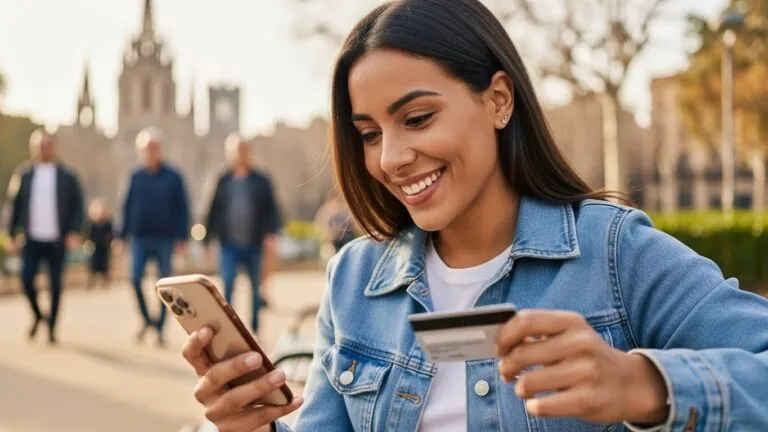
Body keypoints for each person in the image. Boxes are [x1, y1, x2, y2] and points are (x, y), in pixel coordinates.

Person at [180, 1, 768, 431]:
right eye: (368, 134)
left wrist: (645, 385)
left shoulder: (613, 252)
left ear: (499, 100)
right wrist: (257, 428)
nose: (389, 158)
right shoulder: (354, 279)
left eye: (416, 119)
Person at [3, 130, 84, 345]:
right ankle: (39, 315)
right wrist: (10, 235)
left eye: (47, 145)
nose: (43, 149)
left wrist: (74, 232)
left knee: (56, 286)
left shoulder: (67, 176)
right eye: (40, 146)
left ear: (53, 147)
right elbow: (14, 206)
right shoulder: (24, 174)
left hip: (57, 240)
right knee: (26, 279)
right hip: (31, 238)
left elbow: (78, 206)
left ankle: (52, 328)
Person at [115, 127, 189, 347]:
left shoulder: (173, 176)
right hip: (139, 237)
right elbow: (125, 206)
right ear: (141, 151)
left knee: (166, 286)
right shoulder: (134, 176)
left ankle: (159, 328)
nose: (151, 152)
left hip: (165, 239)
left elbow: (182, 208)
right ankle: (148, 320)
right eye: (147, 148)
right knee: (135, 279)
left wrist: (182, 238)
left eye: (155, 148)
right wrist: (120, 237)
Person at [202, 133, 281, 337]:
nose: (241, 155)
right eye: (238, 151)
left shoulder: (261, 180)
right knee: (227, 285)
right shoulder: (222, 180)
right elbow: (212, 210)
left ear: (250, 153)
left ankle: (255, 330)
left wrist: (272, 234)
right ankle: (229, 330)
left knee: (255, 288)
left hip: (254, 243)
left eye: (245, 150)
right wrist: (207, 241)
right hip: (228, 243)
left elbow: (272, 209)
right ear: (230, 154)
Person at [86, 198, 114, 289]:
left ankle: (105, 282)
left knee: (104, 265)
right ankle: (92, 282)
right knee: (93, 265)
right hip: (95, 247)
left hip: (104, 247)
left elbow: (111, 234)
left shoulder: (107, 223)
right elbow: (89, 235)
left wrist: (109, 241)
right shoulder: (92, 223)